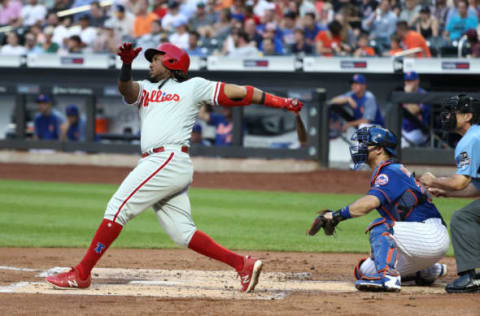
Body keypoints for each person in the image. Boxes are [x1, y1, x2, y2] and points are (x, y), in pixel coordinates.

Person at [45, 41, 303, 292]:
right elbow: (127, 90)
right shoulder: (145, 87)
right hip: (160, 162)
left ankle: (81, 273)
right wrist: (125, 65)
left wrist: (281, 103)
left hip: (167, 158)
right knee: (182, 233)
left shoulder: (193, 86)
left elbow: (239, 91)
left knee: (117, 208)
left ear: (171, 62)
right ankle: (242, 264)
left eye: (156, 59)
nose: (150, 64)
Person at [308, 126, 449, 292]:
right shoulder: (390, 171)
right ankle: (427, 271)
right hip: (419, 242)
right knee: (363, 271)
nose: (359, 147)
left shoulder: (390, 171)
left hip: (430, 235)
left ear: (379, 149)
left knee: (380, 226)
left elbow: (369, 203)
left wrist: (336, 215)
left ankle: (389, 279)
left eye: (364, 143)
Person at [419, 94, 480, 293]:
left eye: (453, 112)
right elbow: (473, 188)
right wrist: (447, 191)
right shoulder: (476, 136)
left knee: (463, 219)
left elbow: (460, 182)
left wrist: (434, 180)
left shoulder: (471, 140)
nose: (447, 115)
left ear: (468, 116)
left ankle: (471, 277)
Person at [401, 71, 430, 147]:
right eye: (406, 81)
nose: (408, 83)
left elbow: (414, 111)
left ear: (417, 81)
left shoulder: (423, 94)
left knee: (403, 145)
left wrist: (408, 95)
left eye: (410, 81)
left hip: (419, 131)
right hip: (404, 130)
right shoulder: (402, 95)